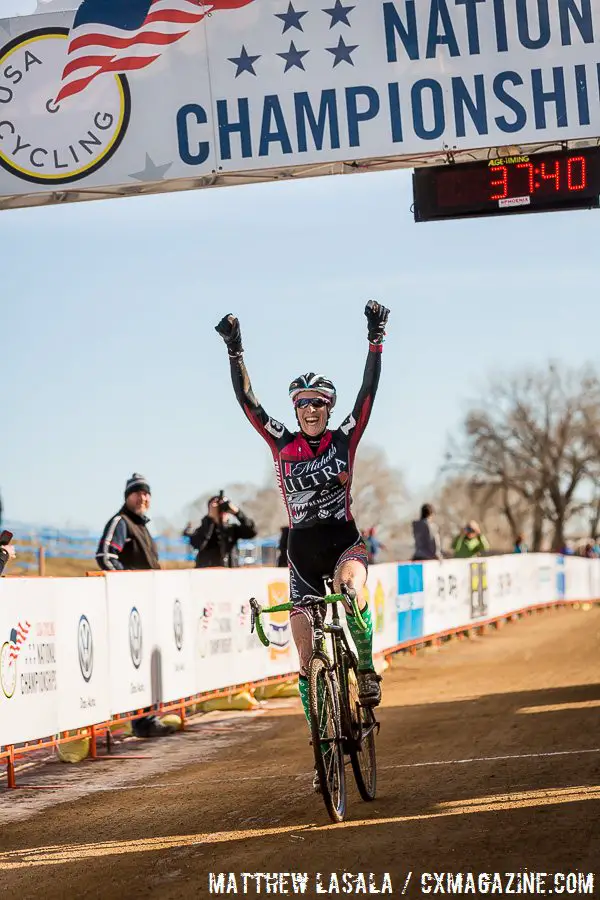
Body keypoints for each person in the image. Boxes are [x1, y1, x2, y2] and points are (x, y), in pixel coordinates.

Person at [215, 299, 390, 771]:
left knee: (352, 592)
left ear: (328, 409)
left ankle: (368, 670)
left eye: (318, 403)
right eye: (302, 404)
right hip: (301, 553)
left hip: (343, 543)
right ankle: (322, 750)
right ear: (295, 410)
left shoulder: (343, 439)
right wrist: (236, 350)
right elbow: (248, 403)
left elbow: (367, 393)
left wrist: (376, 339)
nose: (310, 410)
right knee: (304, 653)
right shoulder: (280, 442)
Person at [96, 474, 174, 738]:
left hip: (147, 607)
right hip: (131, 610)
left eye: (146, 493)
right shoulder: (121, 522)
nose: (143, 497)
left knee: (146, 664)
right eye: (137, 493)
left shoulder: (142, 526)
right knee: (134, 663)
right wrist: (128, 586)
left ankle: (148, 717)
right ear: (127, 496)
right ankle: (140, 721)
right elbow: (105, 556)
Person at [183, 495, 257, 568]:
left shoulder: (232, 529)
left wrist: (237, 512)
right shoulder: (202, 529)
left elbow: (252, 532)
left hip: (231, 575)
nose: (221, 511)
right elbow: (198, 544)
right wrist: (210, 519)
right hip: (207, 576)